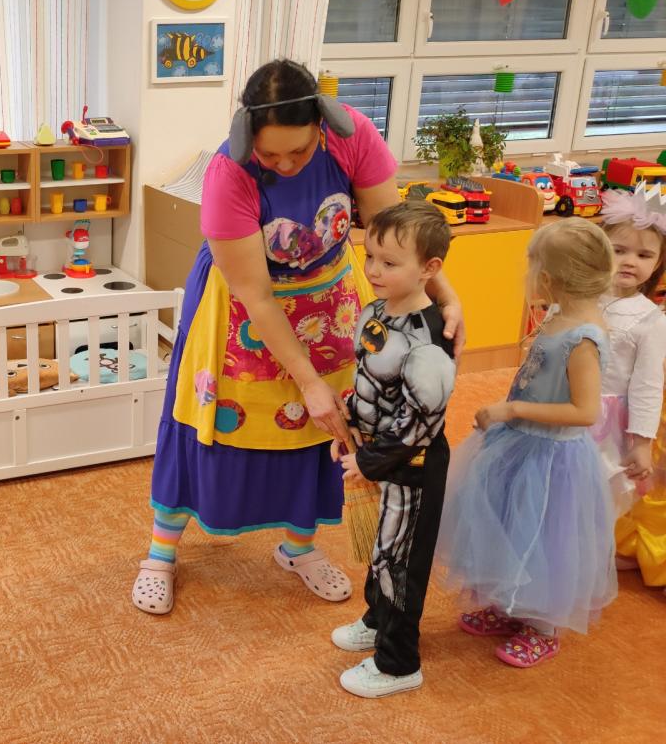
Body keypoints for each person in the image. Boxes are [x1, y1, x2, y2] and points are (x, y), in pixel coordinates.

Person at [131, 59, 464, 616]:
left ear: (321, 124)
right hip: (242, 312)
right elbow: (256, 295)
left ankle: (298, 547)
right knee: (211, 422)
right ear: (248, 138)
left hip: (329, 304)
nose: (286, 165)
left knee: (325, 424)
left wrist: (444, 295)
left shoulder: (352, 137)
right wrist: (305, 379)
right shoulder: (228, 174)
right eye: (270, 156)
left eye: (300, 151)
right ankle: (161, 553)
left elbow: (400, 236)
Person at [436, 219, 617, 668]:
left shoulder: (583, 339)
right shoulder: (559, 314)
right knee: (508, 525)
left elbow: (585, 411)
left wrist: (512, 409)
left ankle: (542, 626)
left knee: (541, 537)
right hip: (520, 444)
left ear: (549, 278)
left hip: (552, 458)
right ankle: (509, 604)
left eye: (531, 266)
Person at [330, 201, 456, 698]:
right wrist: (349, 426)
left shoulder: (431, 339)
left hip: (414, 469)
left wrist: (368, 461)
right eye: (370, 257)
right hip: (380, 457)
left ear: (429, 268)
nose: (374, 270)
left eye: (390, 262)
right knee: (381, 551)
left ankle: (399, 663)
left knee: (400, 562)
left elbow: (422, 422)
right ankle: (375, 619)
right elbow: (366, 379)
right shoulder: (377, 311)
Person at [596, 185, 666, 592]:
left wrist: (642, 442)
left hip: (609, 427)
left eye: (644, 255)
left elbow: (647, 387)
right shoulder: (581, 299)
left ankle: (584, 573)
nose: (629, 261)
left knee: (599, 501)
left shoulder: (651, 320)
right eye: (619, 250)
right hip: (566, 413)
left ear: (658, 264)